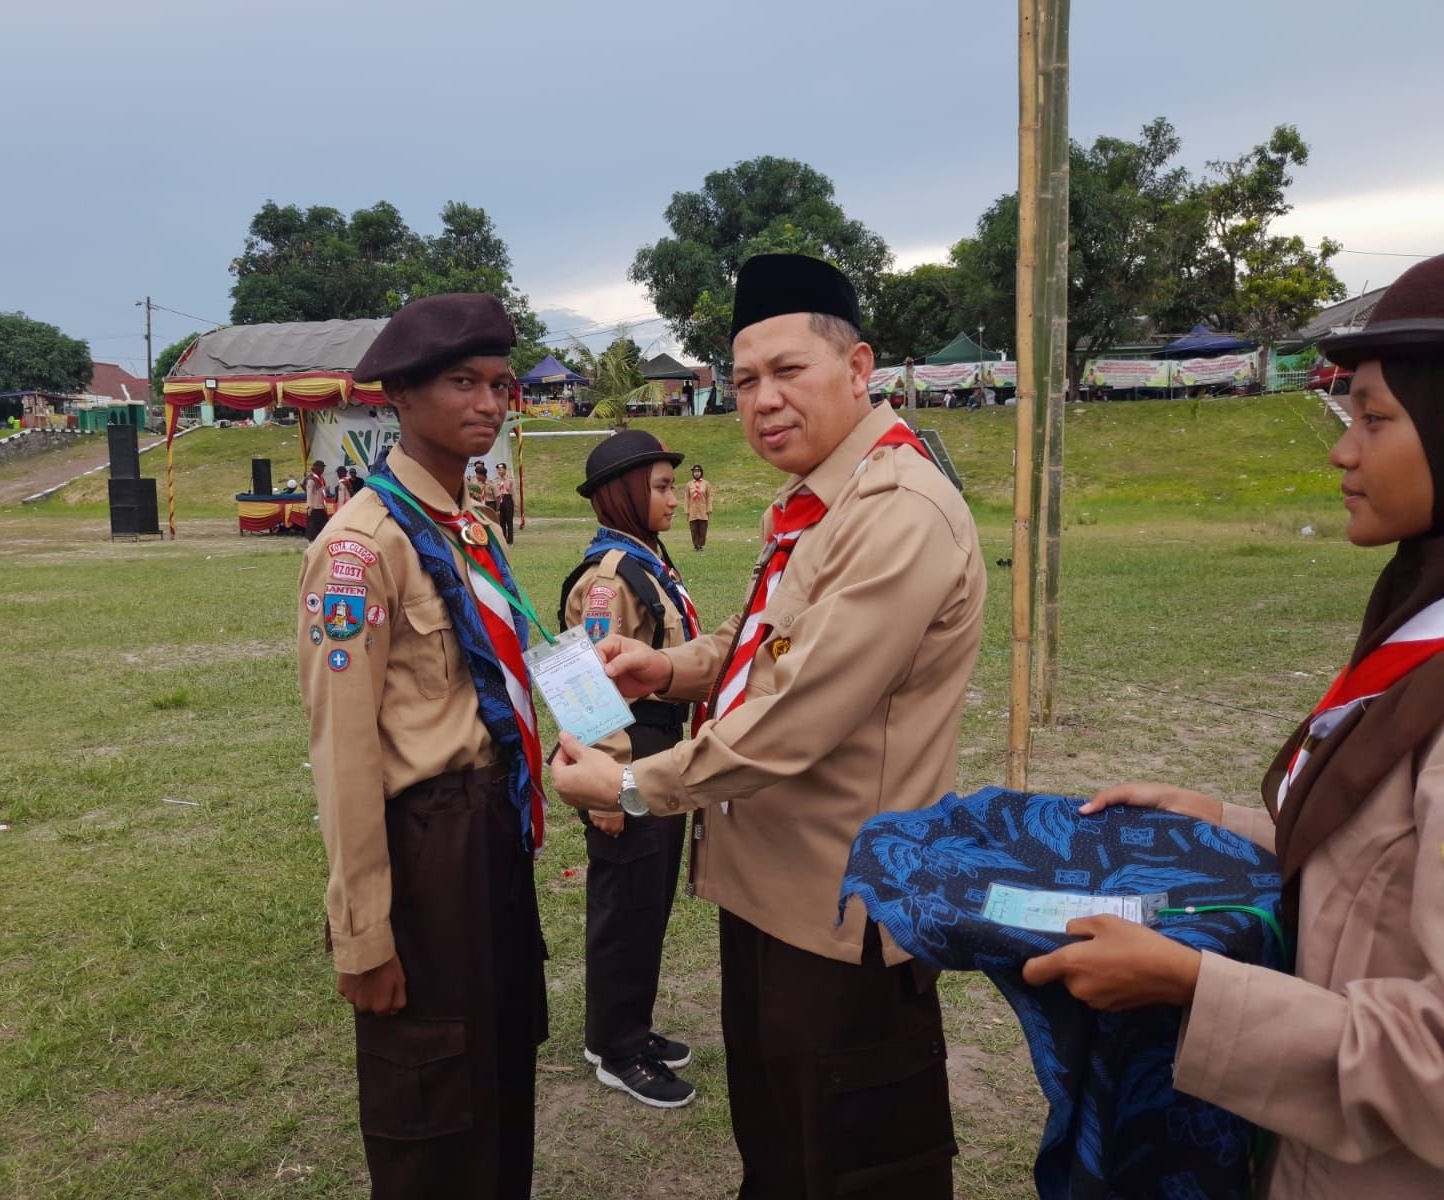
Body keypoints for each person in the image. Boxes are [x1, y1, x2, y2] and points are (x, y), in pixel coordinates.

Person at [551, 254, 987, 1198]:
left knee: (849, 1168)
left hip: (840, 918)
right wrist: (670, 665)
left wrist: (630, 786)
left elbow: (796, 719)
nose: (763, 400)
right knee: (781, 1160)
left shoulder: (897, 510)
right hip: (768, 897)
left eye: (789, 371)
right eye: (744, 380)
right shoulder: (821, 503)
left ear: (859, 364)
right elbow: (773, 648)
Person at [1022, 253, 1444, 1199]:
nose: (1341, 450)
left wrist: (1196, 988)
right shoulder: (1416, 623)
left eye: (1375, 418)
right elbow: (1379, 874)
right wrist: (1214, 815)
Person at [296, 293, 548, 1200]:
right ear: (399, 394)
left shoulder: (461, 524)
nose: (488, 403)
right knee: (432, 1094)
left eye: (498, 385)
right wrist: (363, 932)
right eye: (461, 383)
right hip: (427, 847)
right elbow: (344, 753)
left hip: (491, 832)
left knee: (499, 1072)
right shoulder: (361, 547)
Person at [559, 430, 699, 1108]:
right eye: (662, 486)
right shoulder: (610, 577)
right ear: (624, 493)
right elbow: (585, 690)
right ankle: (617, 1050)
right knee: (626, 905)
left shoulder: (648, 561)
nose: (674, 498)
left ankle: (624, 1028)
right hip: (628, 752)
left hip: (658, 750)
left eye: (674, 485)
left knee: (647, 901)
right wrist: (607, 789)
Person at [685, 464, 712, 551]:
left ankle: (700, 545)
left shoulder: (706, 484)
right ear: (693, 473)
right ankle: (695, 545)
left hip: (703, 510)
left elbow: (709, 497)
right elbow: (686, 498)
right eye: (695, 472)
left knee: (702, 529)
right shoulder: (689, 484)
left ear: (701, 472)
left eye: (698, 471)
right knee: (694, 529)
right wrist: (686, 510)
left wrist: (709, 509)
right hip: (692, 510)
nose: (697, 473)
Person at [493, 461, 517, 545]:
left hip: (507, 499)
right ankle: (504, 540)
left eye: (501, 469)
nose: (499, 471)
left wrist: (515, 505)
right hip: (500, 500)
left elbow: (513, 492)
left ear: (505, 470)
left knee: (509, 522)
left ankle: (510, 541)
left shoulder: (510, 480)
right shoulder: (495, 480)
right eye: (498, 470)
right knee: (501, 521)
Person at [305, 460, 330, 540]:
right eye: (321, 467)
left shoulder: (321, 479)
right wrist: (310, 507)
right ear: (316, 468)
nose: (323, 469)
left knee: (323, 527)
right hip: (314, 507)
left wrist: (325, 489)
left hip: (321, 507)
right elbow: (309, 494)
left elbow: (319, 491)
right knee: (313, 527)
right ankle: (311, 543)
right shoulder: (311, 479)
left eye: (323, 467)